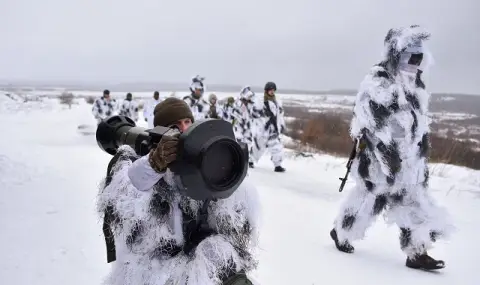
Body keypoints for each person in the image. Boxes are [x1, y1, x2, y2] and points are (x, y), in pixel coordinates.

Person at [97, 97, 260, 285]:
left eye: (187, 122)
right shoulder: (141, 165)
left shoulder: (200, 160)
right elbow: (128, 198)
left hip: (197, 257)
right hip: (153, 266)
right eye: (175, 125)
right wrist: (154, 165)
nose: (183, 129)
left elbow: (231, 213)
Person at [330, 25, 453, 270]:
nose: (415, 65)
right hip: (379, 164)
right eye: (411, 58)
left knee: (414, 204)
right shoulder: (378, 83)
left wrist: (419, 158)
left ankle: (417, 252)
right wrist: (388, 158)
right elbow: (368, 125)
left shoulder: (415, 87)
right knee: (368, 202)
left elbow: (418, 127)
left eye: (419, 60)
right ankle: (342, 233)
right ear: (397, 56)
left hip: (409, 165)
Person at [250, 82, 286, 172]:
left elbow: (280, 114)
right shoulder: (261, 100)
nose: (272, 92)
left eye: (273, 90)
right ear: (266, 91)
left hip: (274, 128)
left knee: (277, 147)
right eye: (270, 90)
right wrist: (261, 114)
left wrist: (281, 125)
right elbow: (253, 113)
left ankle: (277, 165)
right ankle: (250, 160)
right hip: (263, 129)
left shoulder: (277, 101)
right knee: (258, 146)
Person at [232, 86, 264, 168]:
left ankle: (249, 160)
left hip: (248, 127)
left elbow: (256, 114)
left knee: (248, 143)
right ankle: (237, 159)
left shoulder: (252, 104)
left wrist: (249, 105)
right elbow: (234, 114)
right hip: (238, 126)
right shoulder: (237, 103)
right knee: (238, 142)